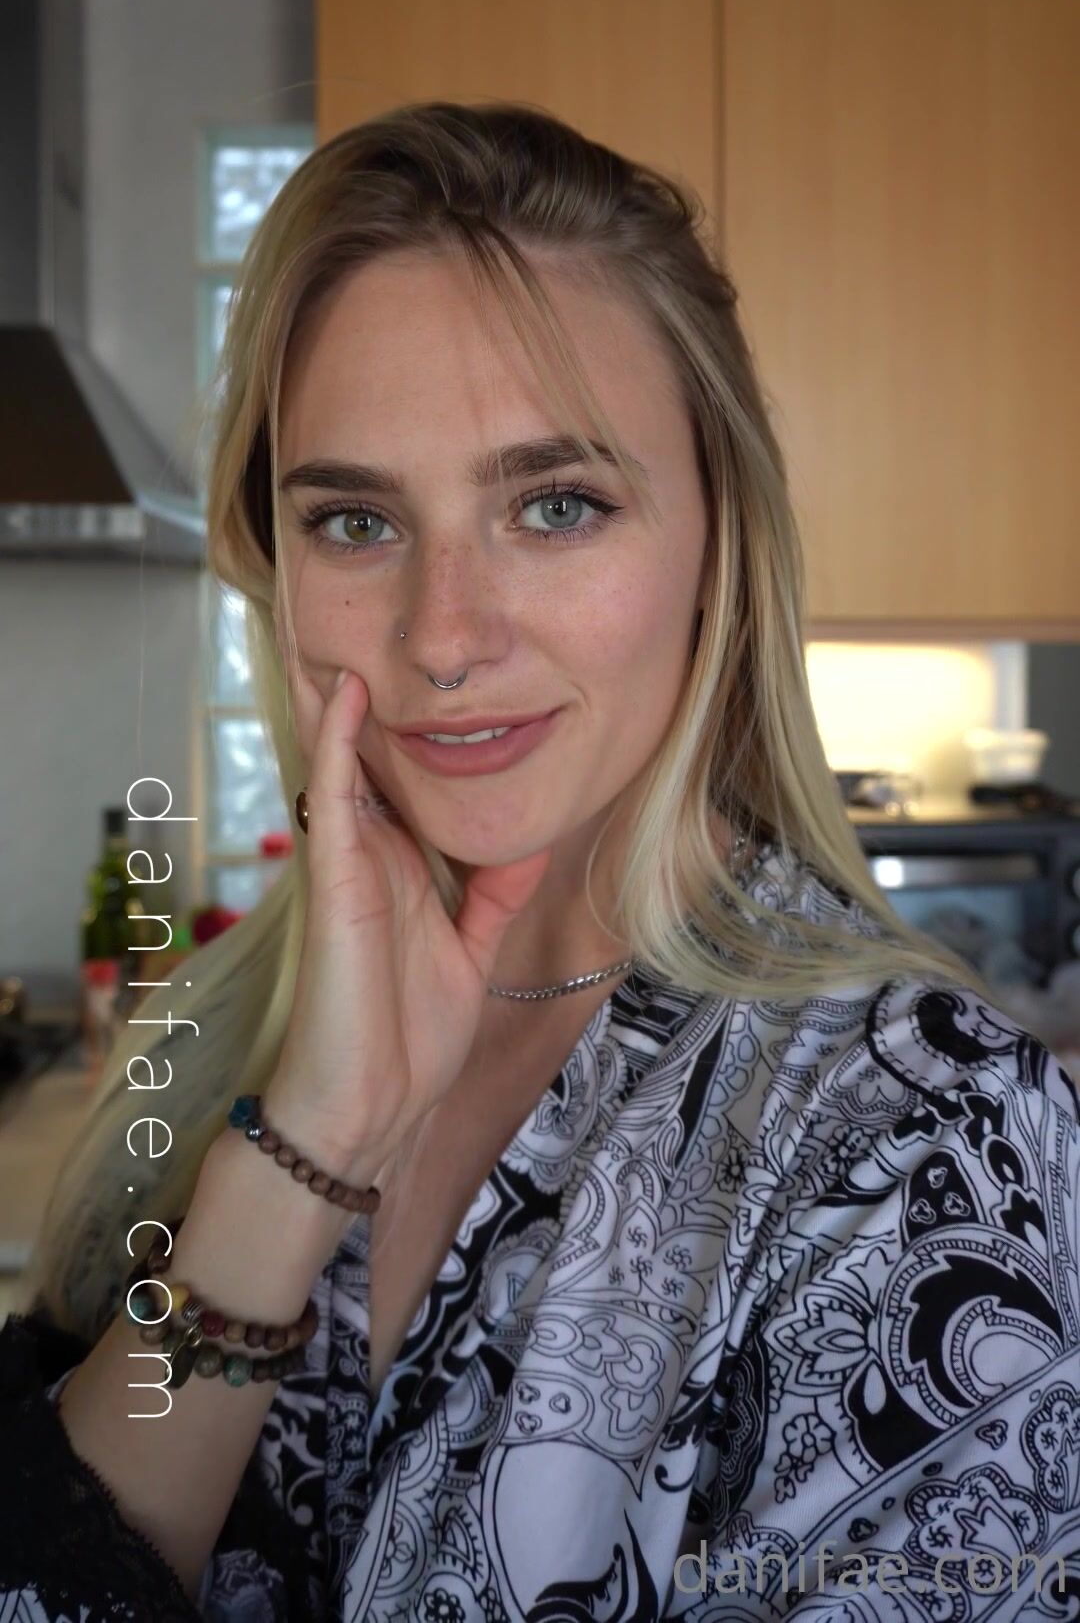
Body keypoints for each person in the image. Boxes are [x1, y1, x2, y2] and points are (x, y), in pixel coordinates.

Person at [2, 100, 1078, 1623]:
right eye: (356, 520)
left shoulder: (924, 1145)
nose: (444, 636)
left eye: (556, 507)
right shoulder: (219, 1042)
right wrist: (303, 1150)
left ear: (718, 538)